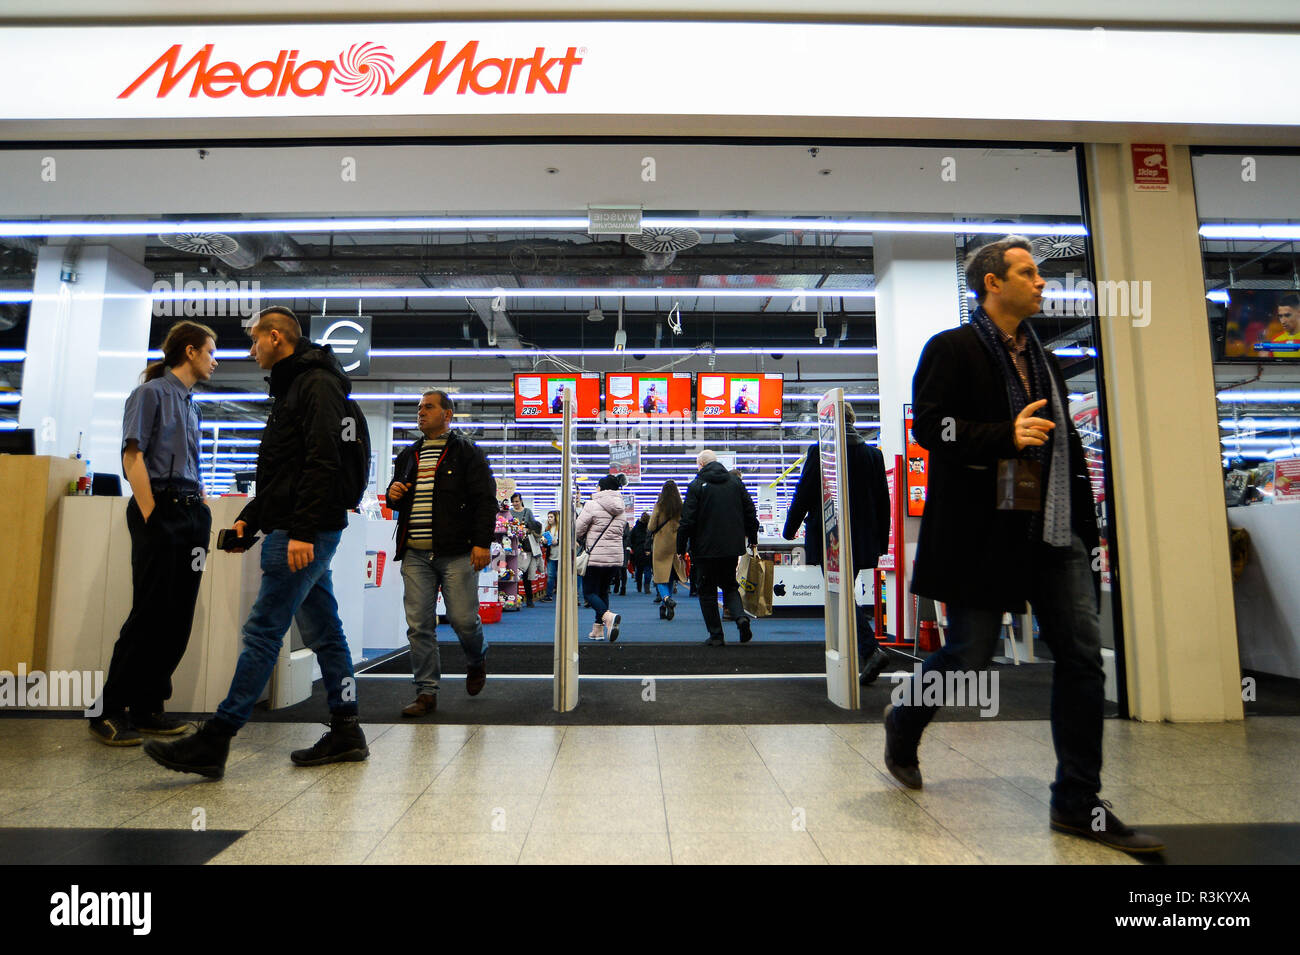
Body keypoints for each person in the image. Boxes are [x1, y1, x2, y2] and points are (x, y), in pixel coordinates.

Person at [884, 236, 1163, 854]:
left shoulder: (1046, 360)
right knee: (968, 658)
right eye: (1028, 273)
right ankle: (904, 721)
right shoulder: (951, 350)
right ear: (992, 283)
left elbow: (1064, 445)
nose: (1042, 283)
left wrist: (1087, 529)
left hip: (1054, 531)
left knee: (1083, 659)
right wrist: (1002, 435)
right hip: (984, 533)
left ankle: (1077, 801)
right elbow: (932, 427)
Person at [145, 306, 367, 777]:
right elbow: (284, 469)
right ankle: (347, 729)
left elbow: (323, 460)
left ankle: (217, 738)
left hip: (304, 532)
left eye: (253, 340)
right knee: (326, 632)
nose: (248, 350)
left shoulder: (315, 384)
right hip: (296, 525)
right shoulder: (295, 384)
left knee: (263, 631)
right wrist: (250, 519)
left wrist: (302, 530)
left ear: (275, 337)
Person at [89, 321, 218, 746]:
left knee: (177, 616)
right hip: (159, 511)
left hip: (190, 515)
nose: (215, 360)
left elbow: (188, 461)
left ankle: (148, 706)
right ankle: (106, 711)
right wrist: (150, 513)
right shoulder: (150, 394)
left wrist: (199, 498)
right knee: (149, 613)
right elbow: (132, 455)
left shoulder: (192, 404)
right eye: (210, 351)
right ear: (189, 351)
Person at [385, 390, 495, 717]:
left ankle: (476, 659)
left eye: (428, 407)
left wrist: (482, 542)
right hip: (415, 554)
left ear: (447, 415)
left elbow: (484, 501)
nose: (421, 412)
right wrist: (394, 495)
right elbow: (398, 498)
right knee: (419, 625)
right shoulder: (407, 456)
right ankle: (426, 692)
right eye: (419, 407)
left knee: (463, 620)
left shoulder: (467, 453)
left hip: (457, 552)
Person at [783, 403, 892, 684]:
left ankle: (869, 650)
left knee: (840, 595)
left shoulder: (821, 451)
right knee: (844, 593)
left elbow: (805, 492)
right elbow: (883, 501)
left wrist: (790, 528)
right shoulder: (872, 455)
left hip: (831, 537)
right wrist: (880, 542)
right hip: (862, 538)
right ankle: (855, 655)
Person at [677, 450, 758, 646]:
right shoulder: (735, 483)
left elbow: (687, 521)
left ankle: (716, 635)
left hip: (704, 550)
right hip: (731, 547)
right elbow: (750, 511)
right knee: (730, 585)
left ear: (701, 465)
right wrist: (752, 538)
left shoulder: (696, 486)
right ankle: (740, 617)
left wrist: (681, 548)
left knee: (707, 591)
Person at [575, 474, 628, 641]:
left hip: (596, 556)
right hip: (615, 558)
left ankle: (607, 616)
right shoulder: (622, 508)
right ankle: (598, 630)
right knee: (603, 591)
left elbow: (577, 530)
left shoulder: (592, 505)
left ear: (602, 488)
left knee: (589, 592)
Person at [648, 482, 685, 619]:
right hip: (675, 544)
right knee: (670, 575)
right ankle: (664, 607)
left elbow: (652, 526)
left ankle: (666, 598)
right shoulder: (681, 507)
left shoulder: (659, 505)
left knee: (659, 576)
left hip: (661, 544)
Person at [510, 492, 543, 608]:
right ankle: (515, 596)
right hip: (513, 546)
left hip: (526, 547)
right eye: (513, 502)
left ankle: (529, 599)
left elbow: (534, 526)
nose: (515, 504)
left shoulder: (527, 512)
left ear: (521, 500)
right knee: (514, 573)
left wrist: (527, 529)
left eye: (517, 501)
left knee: (526, 573)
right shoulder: (509, 512)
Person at [629, 512, 653, 593]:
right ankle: (647, 587)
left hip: (638, 550)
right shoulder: (651, 528)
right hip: (648, 550)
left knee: (639, 570)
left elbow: (631, 538)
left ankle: (639, 587)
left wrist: (633, 547)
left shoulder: (636, 528)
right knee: (648, 569)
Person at [542, 510, 560, 602]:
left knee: (561, 576)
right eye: (548, 517)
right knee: (551, 576)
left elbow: (567, 540)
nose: (549, 518)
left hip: (561, 556)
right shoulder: (547, 529)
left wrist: (558, 542)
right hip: (551, 555)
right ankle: (549, 595)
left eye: (551, 517)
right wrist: (544, 542)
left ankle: (563, 595)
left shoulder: (562, 529)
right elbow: (545, 544)